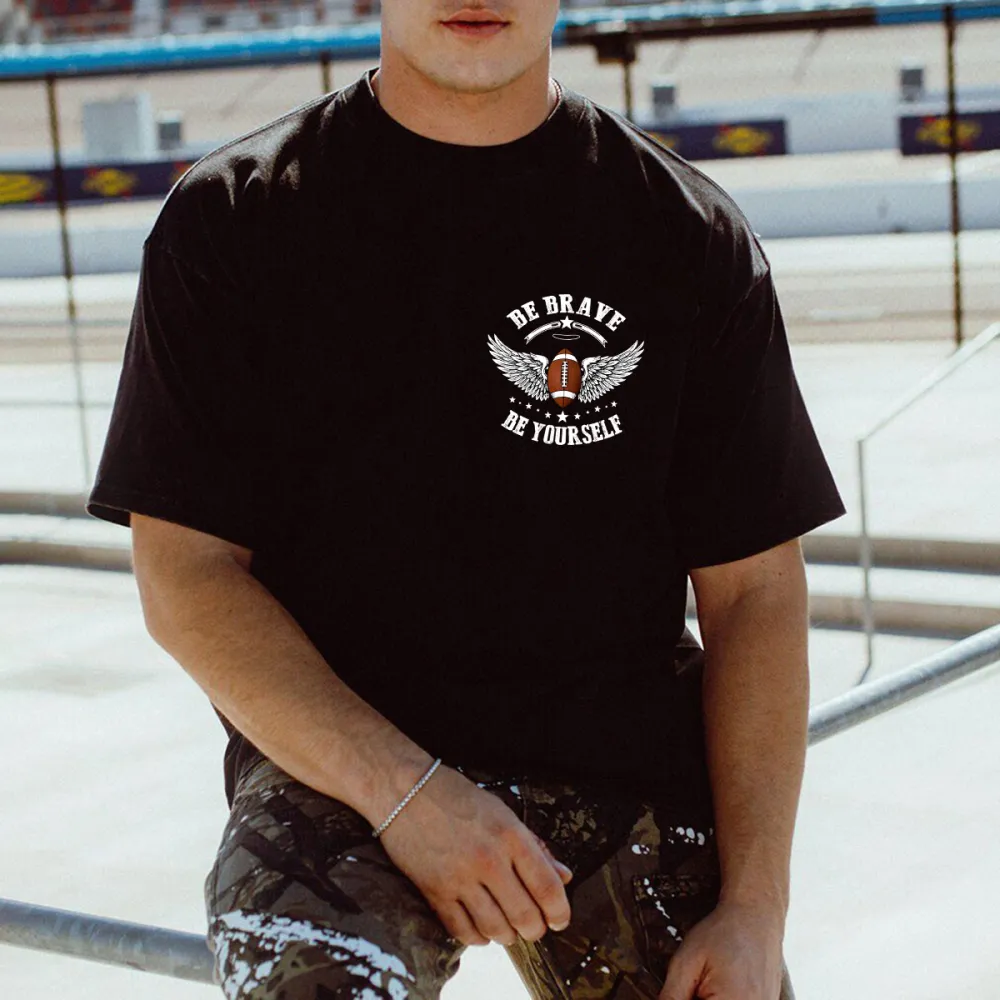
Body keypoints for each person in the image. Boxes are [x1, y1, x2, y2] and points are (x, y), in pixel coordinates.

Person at [88, 2, 845, 998]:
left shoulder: (683, 233)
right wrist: (406, 795)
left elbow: (755, 593)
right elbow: (185, 575)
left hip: (620, 766)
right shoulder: (235, 218)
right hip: (341, 772)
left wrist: (756, 906)